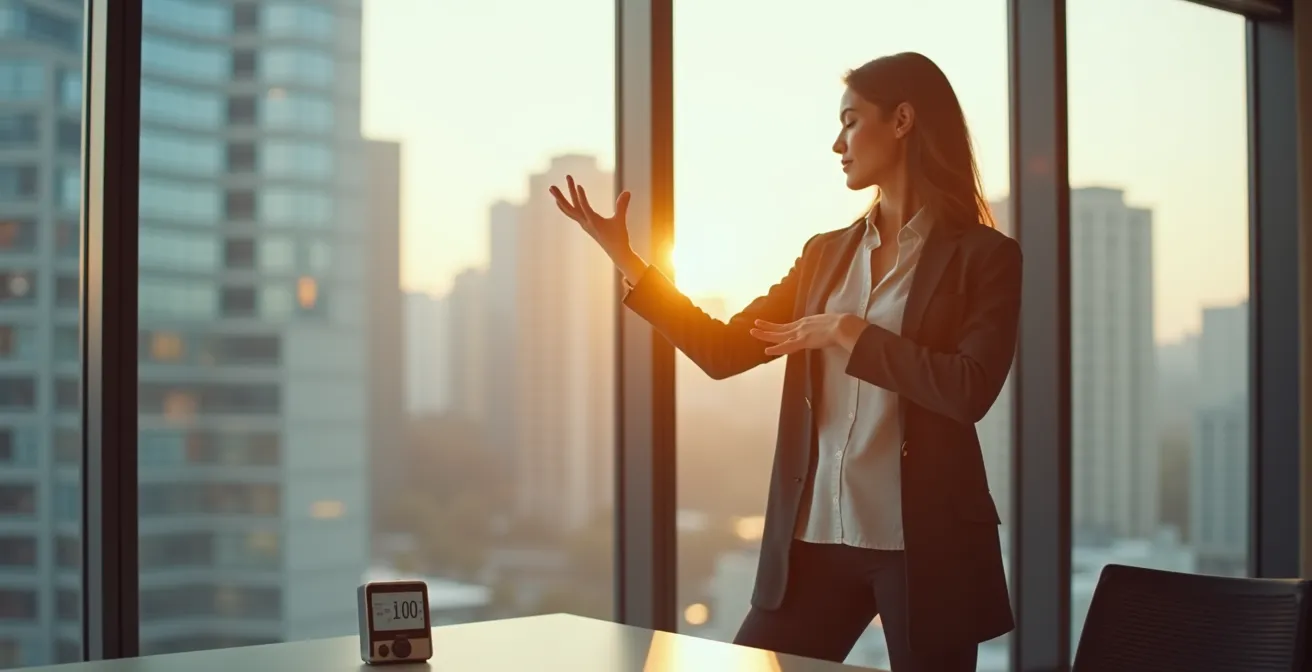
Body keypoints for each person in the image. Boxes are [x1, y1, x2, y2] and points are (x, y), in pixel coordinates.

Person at [550, 51, 1018, 672]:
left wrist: (849, 333)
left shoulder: (986, 256)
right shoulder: (825, 256)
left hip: (926, 548)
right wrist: (630, 263)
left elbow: (969, 390)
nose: (837, 143)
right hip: (813, 539)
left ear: (902, 120)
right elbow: (723, 351)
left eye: (851, 121)